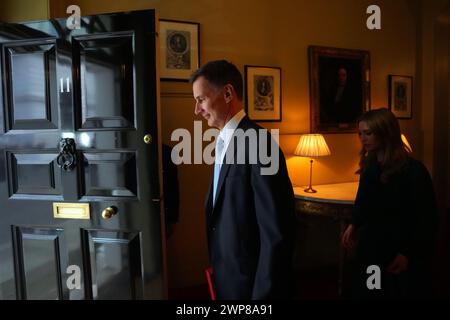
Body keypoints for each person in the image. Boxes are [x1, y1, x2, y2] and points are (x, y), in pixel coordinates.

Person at [190, 60, 296, 300]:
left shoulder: (260, 143)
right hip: (230, 276)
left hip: (252, 286)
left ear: (228, 93)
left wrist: (263, 296)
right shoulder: (225, 141)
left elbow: (277, 232)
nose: (197, 110)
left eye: (200, 100)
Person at [341, 108, 438, 299]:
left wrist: (407, 253)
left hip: (399, 249)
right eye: (360, 133)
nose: (363, 138)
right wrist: (354, 223)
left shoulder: (414, 171)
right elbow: (363, 201)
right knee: (371, 292)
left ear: (385, 133)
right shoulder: (370, 166)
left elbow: (426, 218)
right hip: (372, 249)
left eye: (368, 133)